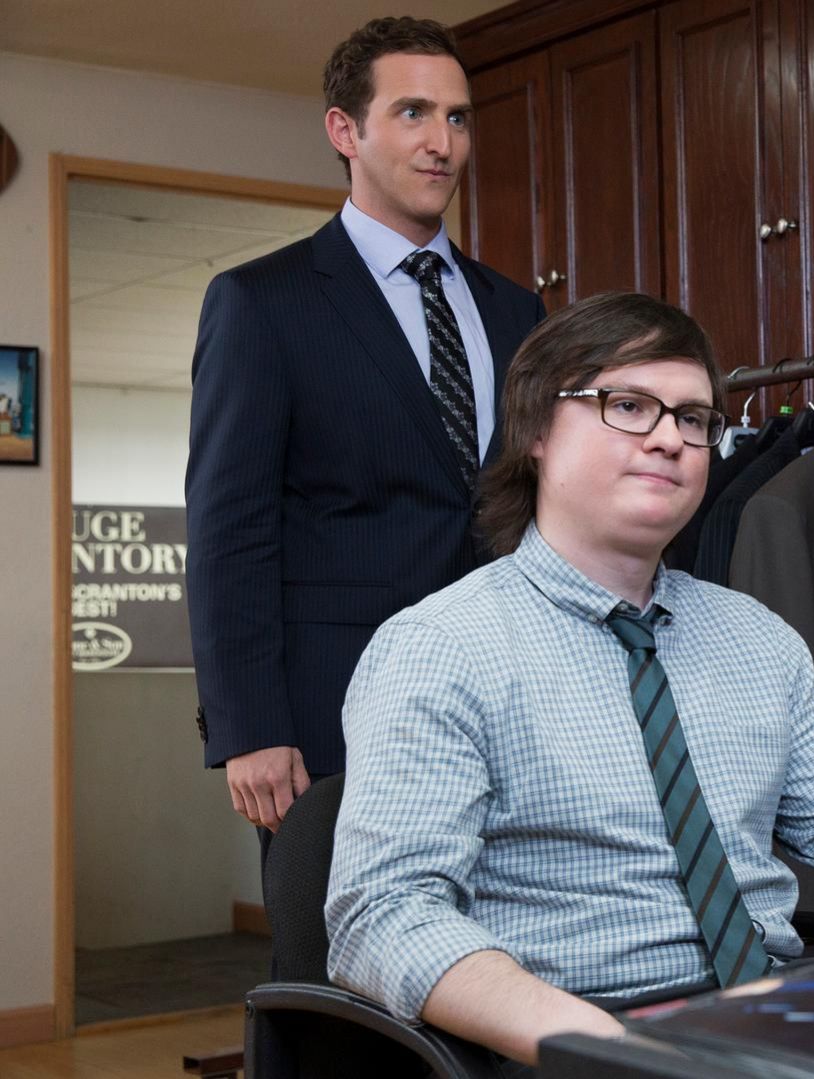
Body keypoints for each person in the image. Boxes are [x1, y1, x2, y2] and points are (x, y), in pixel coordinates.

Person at [325, 293, 814, 1066]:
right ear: (535, 431)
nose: (670, 438)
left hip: (769, 1018)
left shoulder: (758, 639)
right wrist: (621, 1052)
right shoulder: (440, 647)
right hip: (577, 1035)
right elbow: (384, 916)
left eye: (693, 418)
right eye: (629, 405)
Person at [186, 17, 542, 835]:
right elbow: (230, 528)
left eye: (457, 118)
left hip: (508, 703)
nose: (442, 143)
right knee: (337, 923)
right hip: (334, 713)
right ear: (345, 131)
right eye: (413, 113)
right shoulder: (261, 303)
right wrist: (251, 725)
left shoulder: (516, 309)